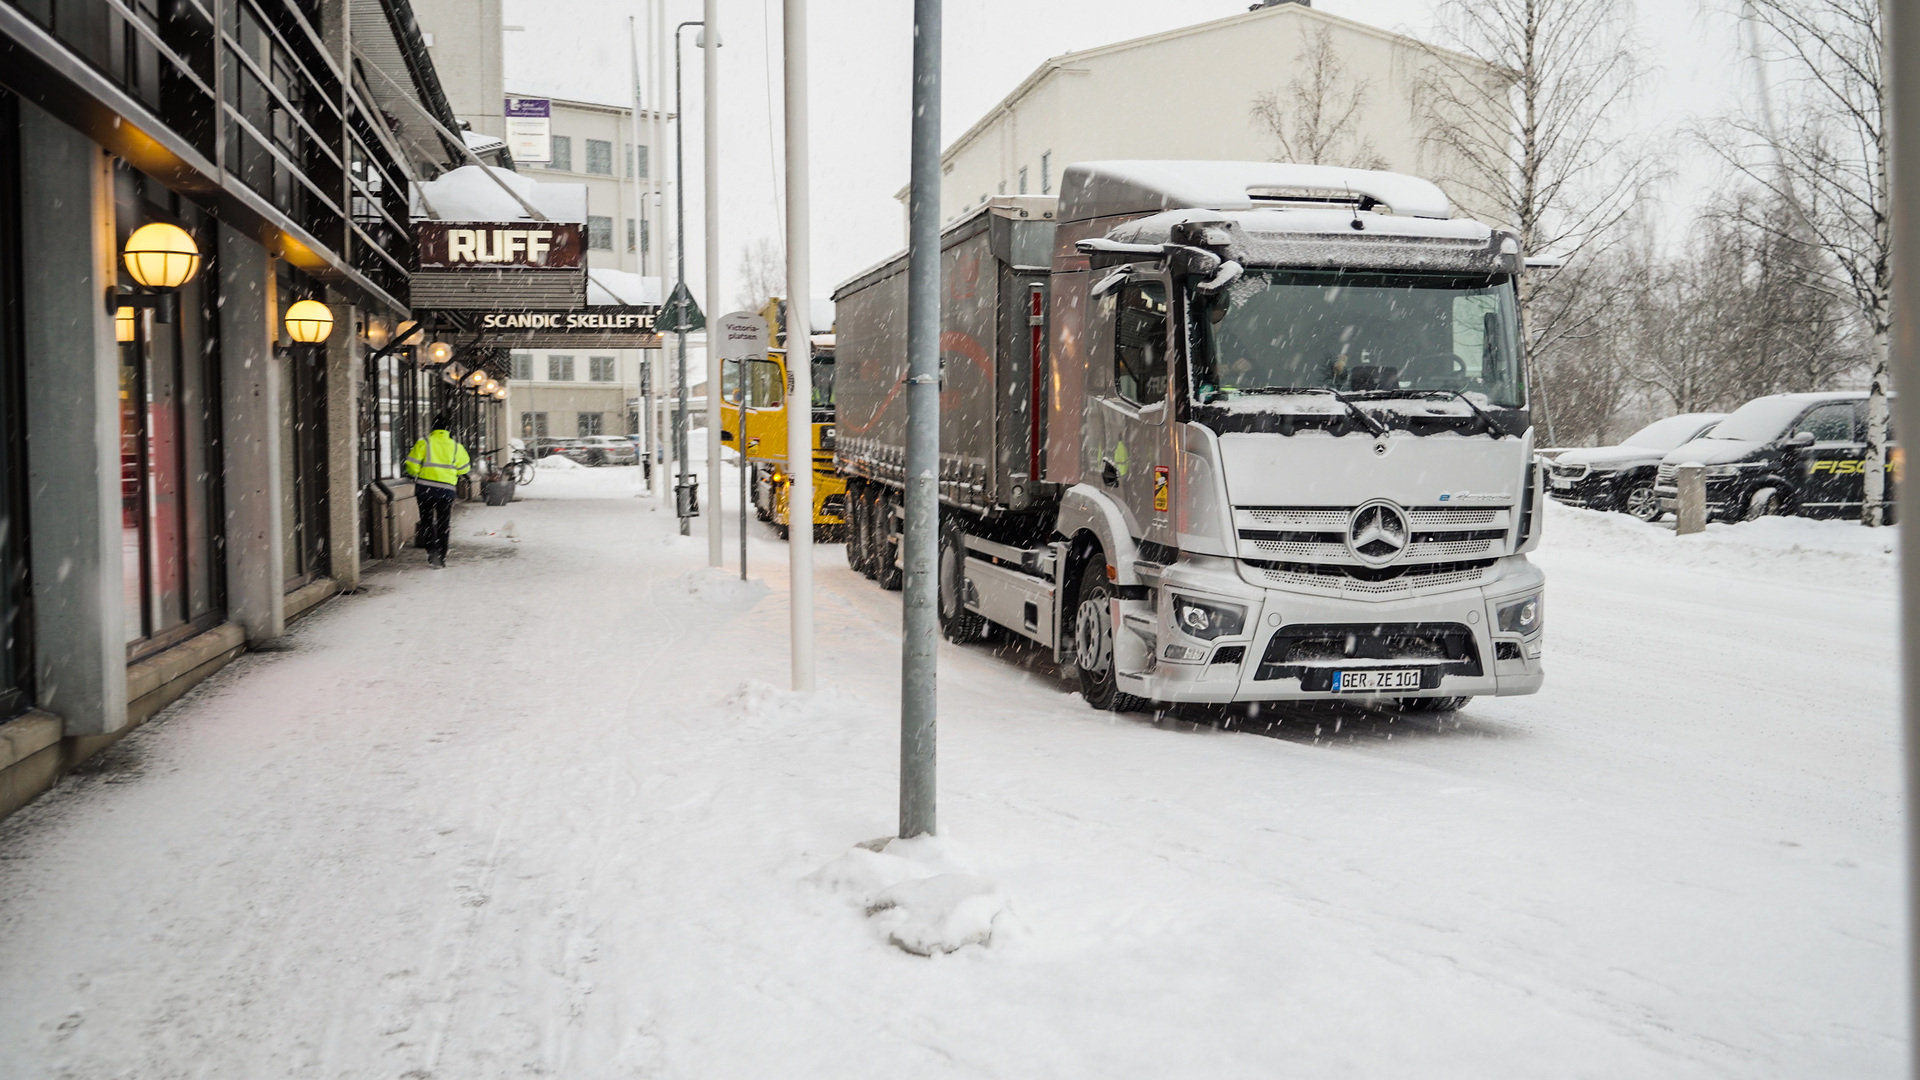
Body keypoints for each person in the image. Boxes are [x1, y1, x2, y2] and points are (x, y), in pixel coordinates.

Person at [405, 414, 471, 568]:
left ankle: (432, 552)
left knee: (426, 522)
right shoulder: (456, 446)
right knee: (443, 522)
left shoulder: (424, 443)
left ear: (433, 427)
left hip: (425, 490)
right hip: (446, 490)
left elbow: (412, 465)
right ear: (448, 429)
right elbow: (464, 468)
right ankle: (441, 556)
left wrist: (417, 473)